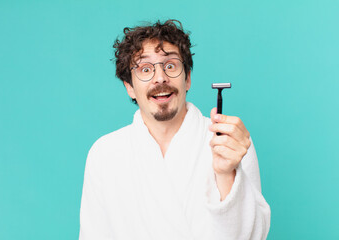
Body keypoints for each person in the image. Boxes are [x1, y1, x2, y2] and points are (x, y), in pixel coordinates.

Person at [79, 19, 271, 240]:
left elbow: (253, 235)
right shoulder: (105, 154)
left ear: (187, 79)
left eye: (170, 65)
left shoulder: (228, 142)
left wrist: (227, 174)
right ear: (129, 87)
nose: (160, 78)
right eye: (145, 68)